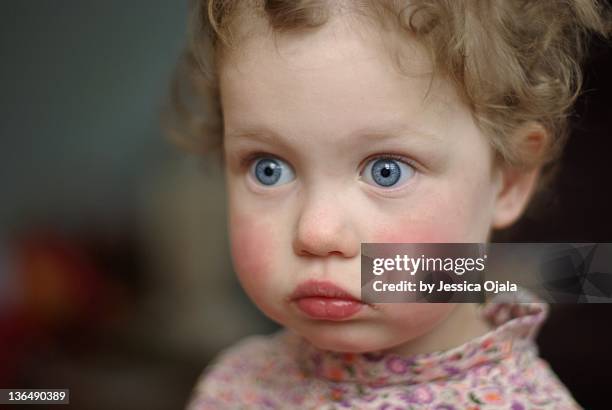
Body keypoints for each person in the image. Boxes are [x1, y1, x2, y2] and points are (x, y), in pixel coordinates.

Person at [164, 1, 610, 408]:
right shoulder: (234, 385)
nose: (316, 233)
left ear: (508, 180)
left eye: (386, 171)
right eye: (269, 168)